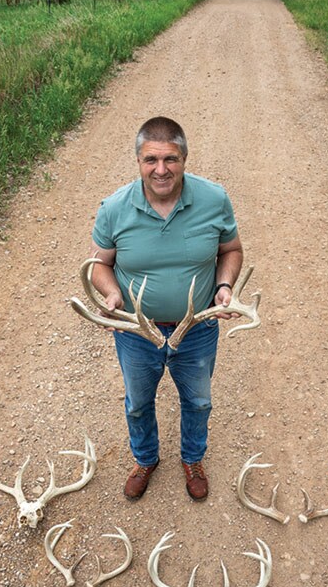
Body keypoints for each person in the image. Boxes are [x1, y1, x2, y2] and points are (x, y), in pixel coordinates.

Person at [89, 116, 243, 502]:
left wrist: (224, 287)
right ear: (138, 161)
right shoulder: (114, 208)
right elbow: (99, 264)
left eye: (170, 159)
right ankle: (145, 459)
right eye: (151, 160)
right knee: (138, 403)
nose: (161, 169)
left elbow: (231, 250)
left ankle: (192, 459)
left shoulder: (213, 199)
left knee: (198, 401)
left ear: (184, 158)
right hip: (138, 332)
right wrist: (111, 296)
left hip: (197, 329)